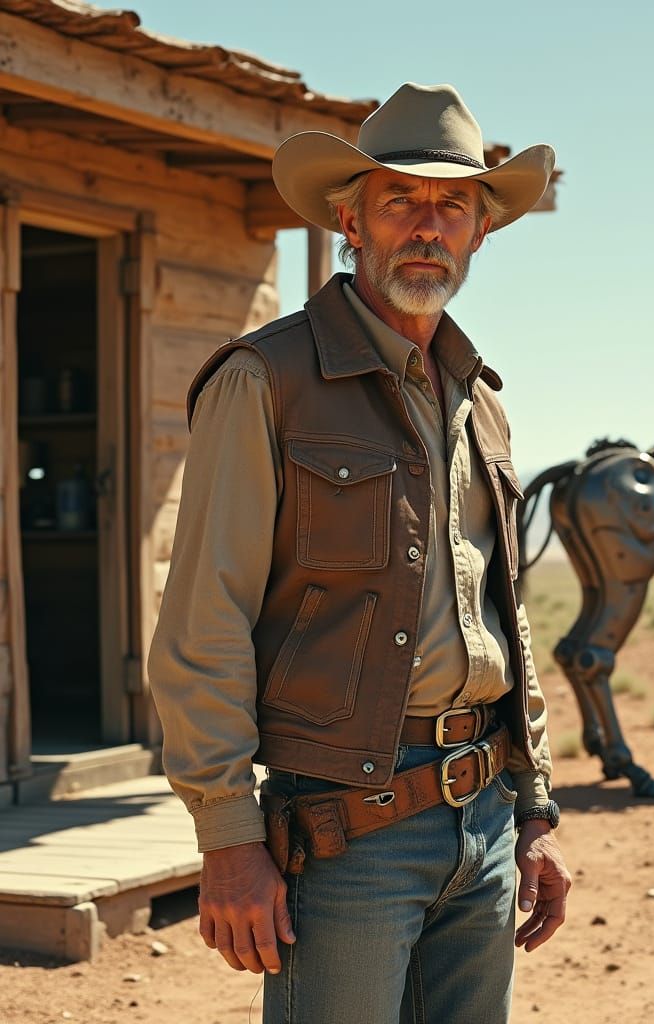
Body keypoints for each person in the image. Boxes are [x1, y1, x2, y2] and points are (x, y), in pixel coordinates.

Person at [148, 82, 570, 1023]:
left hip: (485, 818)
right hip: (345, 833)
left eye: (452, 204)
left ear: (481, 230)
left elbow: (507, 614)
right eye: (399, 200)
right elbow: (203, 617)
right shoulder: (266, 380)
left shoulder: (480, 399)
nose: (428, 224)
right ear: (350, 219)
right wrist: (227, 836)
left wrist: (534, 805)